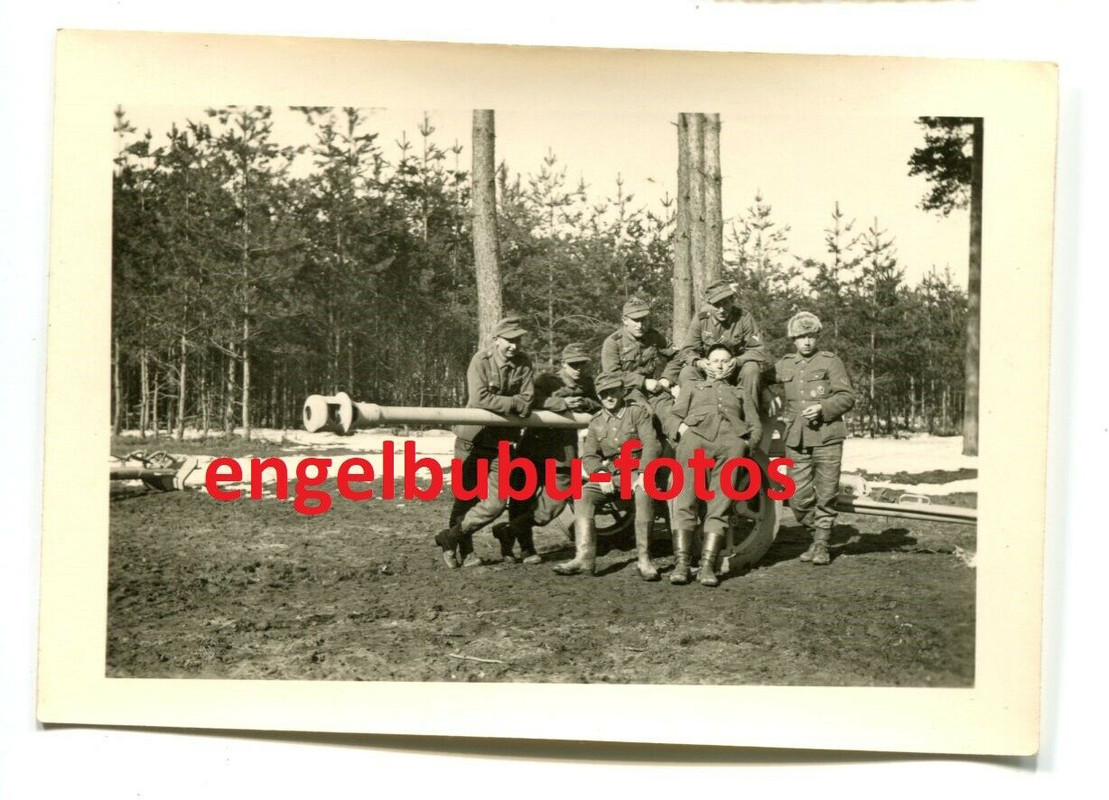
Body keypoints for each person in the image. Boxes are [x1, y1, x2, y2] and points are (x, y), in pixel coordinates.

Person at [434, 315, 534, 569]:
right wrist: (512, 404)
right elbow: (479, 399)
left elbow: (528, 398)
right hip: (472, 440)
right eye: (509, 340)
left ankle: (451, 537)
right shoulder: (481, 360)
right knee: (465, 497)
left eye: (518, 340)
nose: (514, 345)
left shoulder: (524, 363)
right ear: (496, 340)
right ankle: (465, 552)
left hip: (502, 443)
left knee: (497, 502)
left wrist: (512, 404)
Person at [491, 343, 600, 565]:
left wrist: (583, 402)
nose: (578, 369)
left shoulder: (588, 383)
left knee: (558, 499)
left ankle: (509, 530)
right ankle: (526, 548)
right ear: (563, 364)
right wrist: (562, 403)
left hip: (564, 451)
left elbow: (598, 403)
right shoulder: (545, 381)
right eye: (573, 365)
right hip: (535, 446)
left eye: (582, 364)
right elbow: (531, 401)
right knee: (522, 497)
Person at [765, 311, 855, 566]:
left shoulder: (830, 361)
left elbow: (847, 397)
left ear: (817, 337)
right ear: (793, 339)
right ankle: (816, 537)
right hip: (795, 439)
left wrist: (823, 408)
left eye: (811, 336)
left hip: (827, 437)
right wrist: (769, 395)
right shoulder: (784, 365)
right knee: (798, 497)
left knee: (826, 495)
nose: (806, 342)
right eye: (801, 337)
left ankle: (822, 545)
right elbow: (758, 379)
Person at [553, 370, 662, 580]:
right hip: (612, 475)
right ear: (598, 396)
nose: (609, 397)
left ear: (621, 391)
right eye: (603, 394)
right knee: (583, 494)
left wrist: (643, 474)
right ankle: (584, 557)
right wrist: (601, 476)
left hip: (637, 471)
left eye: (613, 392)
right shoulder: (596, 421)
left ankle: (644, 559)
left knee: (643, 492)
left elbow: (651, 444)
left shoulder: (637, 413)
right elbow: (590, 456)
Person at [668, 343, 762, 587]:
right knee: (685, 500)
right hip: (695, 444)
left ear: (731, 365)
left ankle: (707, 567)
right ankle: (681, 564)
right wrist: (683, 433)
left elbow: (755, 426)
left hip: (729, 448)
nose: (719, 365)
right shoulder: (692, 387)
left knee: (719, 505)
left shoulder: (740, 392)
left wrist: (744, 446)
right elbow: (674, 416)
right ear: (706, 364)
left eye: (724, 361)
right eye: (715, 360)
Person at [678, 278, 768, 421]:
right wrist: (700, 363)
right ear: (709, 305)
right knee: (687, 372)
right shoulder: (701, 320)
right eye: (716, 305)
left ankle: (750, 420)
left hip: (735, 371)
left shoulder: (743, 318)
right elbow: (687, 351)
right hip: (709, 371)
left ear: (732, 301)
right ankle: (693, 419)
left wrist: (737, 361)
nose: (721, 310)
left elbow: (757, 351)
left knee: (752, 369)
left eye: (725, 303)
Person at [600, 297, 681, 410]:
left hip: (654, 389)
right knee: (645, 414)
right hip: (626, 392)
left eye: (643, 320)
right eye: (635, 320)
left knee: (669, 413)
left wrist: (667, 378)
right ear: (624, 320)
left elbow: (677, 355)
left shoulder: (653, 336)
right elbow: (611, 374)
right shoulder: (613, 343)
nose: (640, 325)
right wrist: (642, 382)